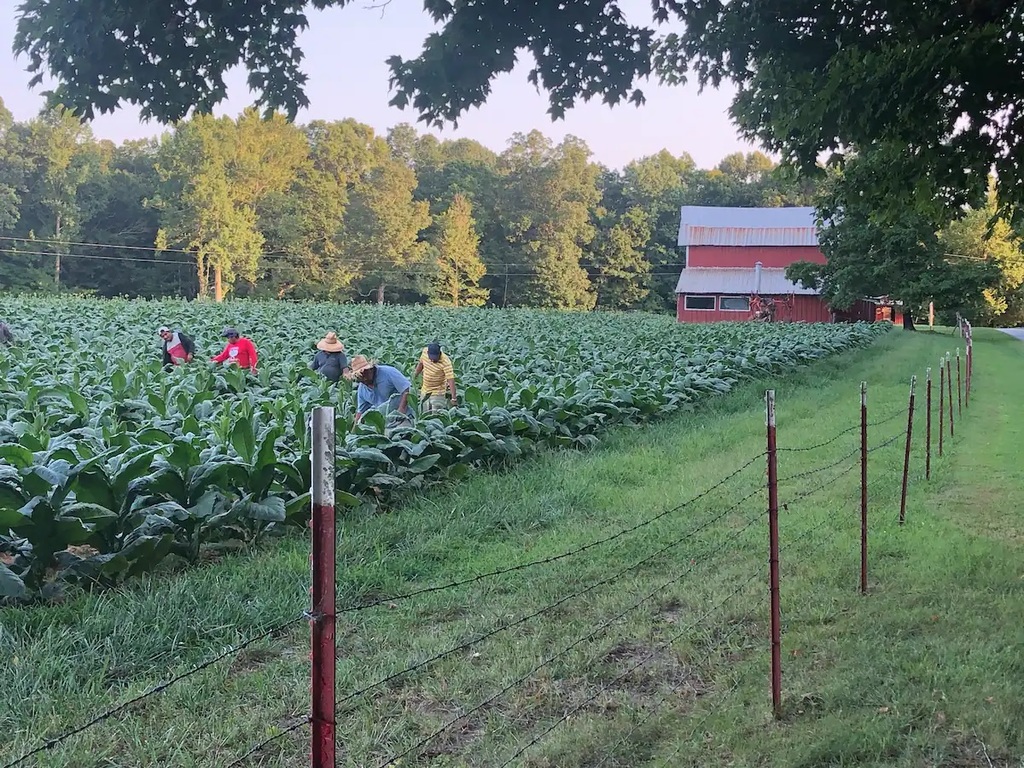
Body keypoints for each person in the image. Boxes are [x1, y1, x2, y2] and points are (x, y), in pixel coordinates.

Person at [347, 355, 411, 424]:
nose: (364, 378)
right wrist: (355, 428)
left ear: (371, 369)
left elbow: (406, 389)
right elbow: (361, 411)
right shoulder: (362, 388)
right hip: (385, 421)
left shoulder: (388, 372)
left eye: (365, 373)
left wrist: (401, 410)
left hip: (405, 416)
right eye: (360, 376)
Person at [413, 340, 458, 412]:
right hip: (425, 390)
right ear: (428, 353)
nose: (432, 360)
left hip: (438, 392)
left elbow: (451, 380)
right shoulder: (424, 352)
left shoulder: (446, 361)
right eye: (431, 358)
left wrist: (454, 398)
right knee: (424, 413)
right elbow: (420, 364)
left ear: (439, 353)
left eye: (435, 359)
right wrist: (414, 376)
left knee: (436, 414)